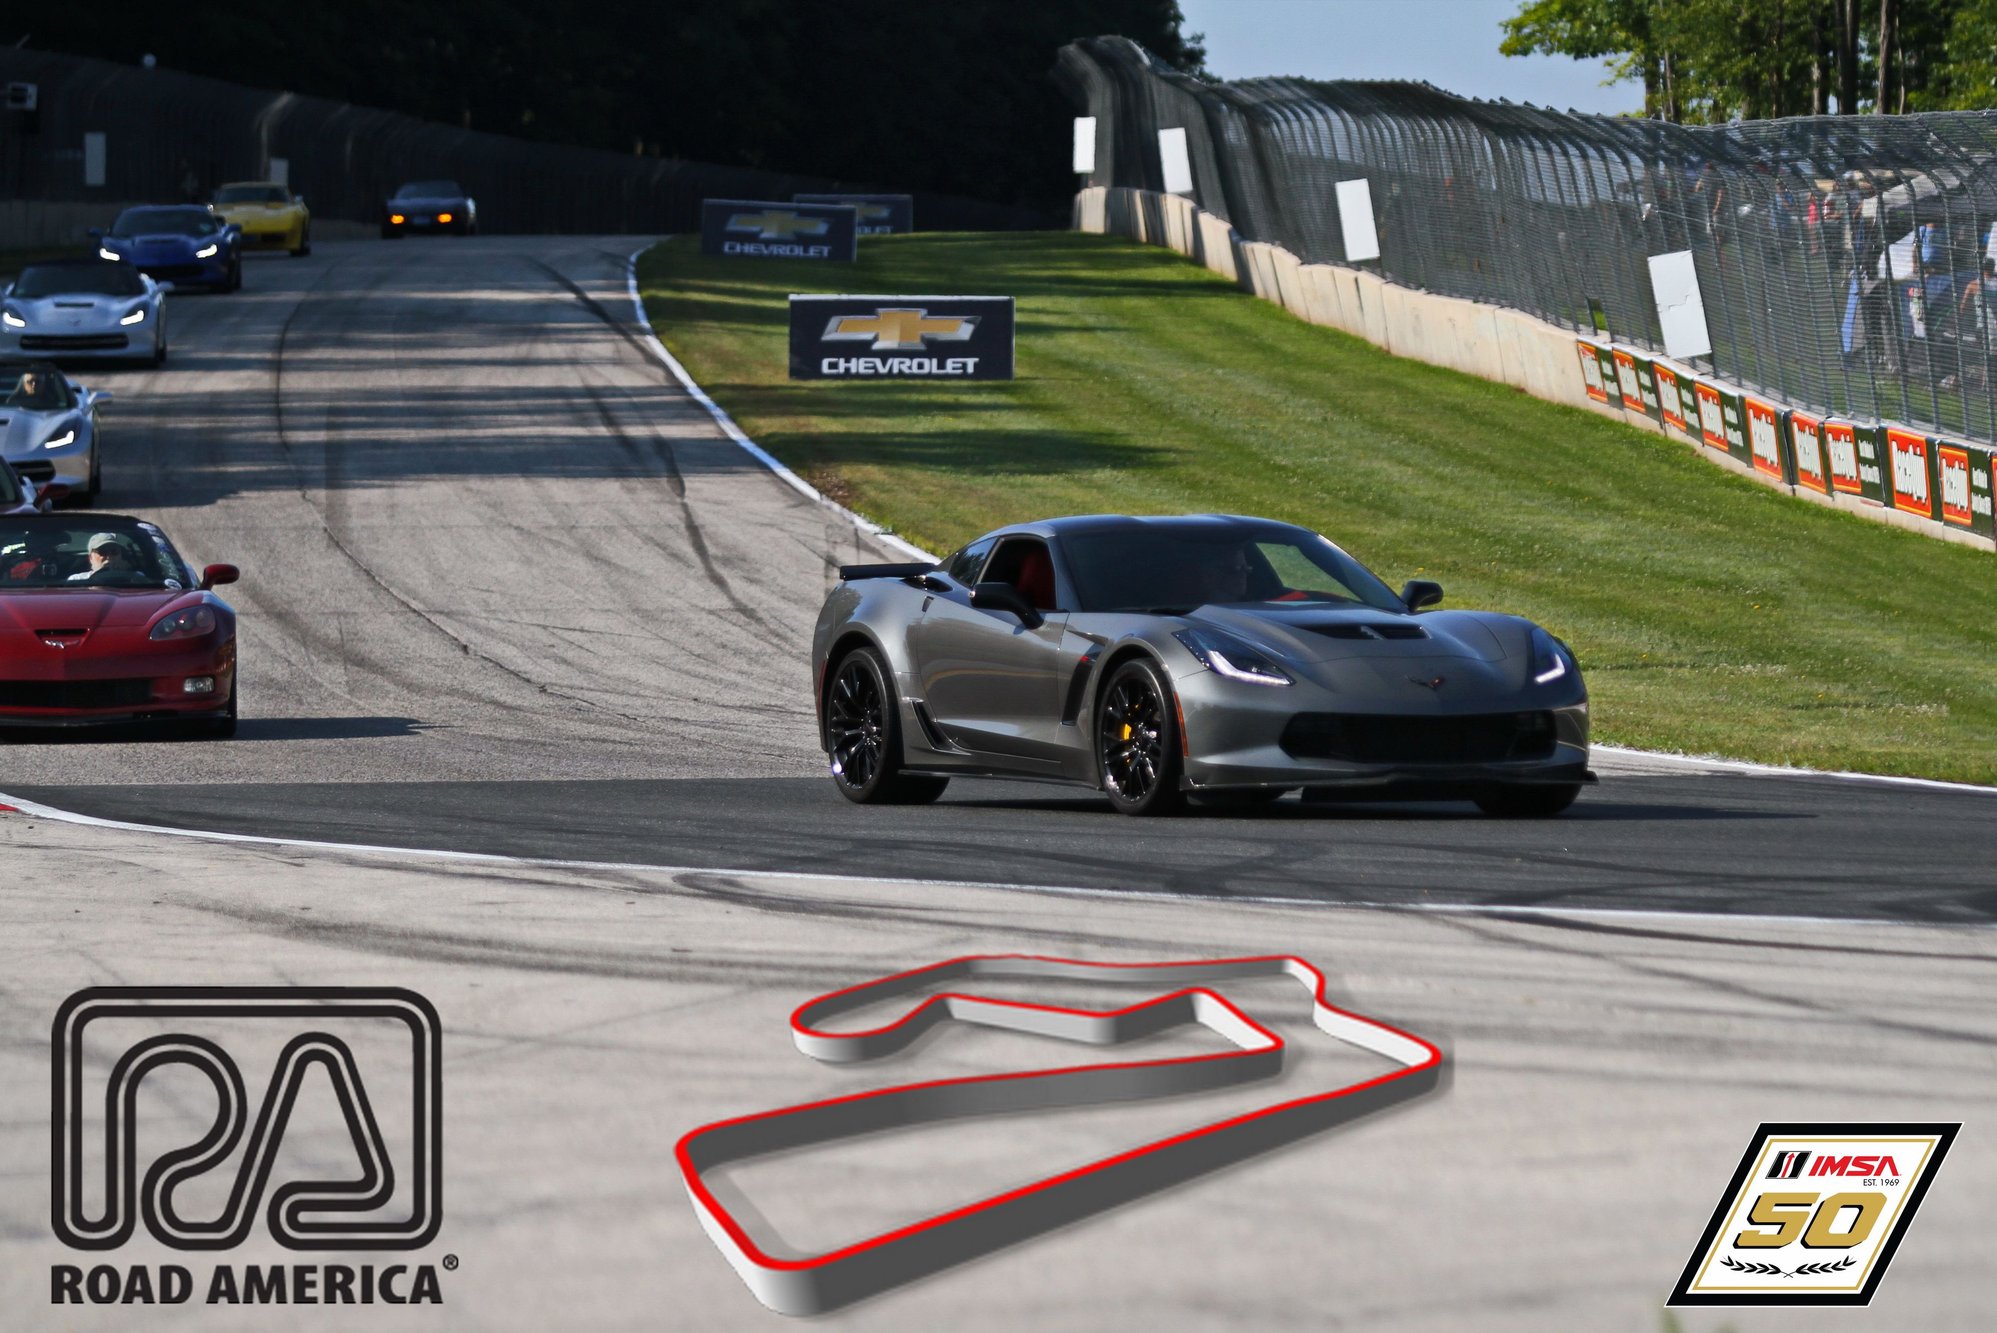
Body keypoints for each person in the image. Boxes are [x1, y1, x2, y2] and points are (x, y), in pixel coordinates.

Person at [69, 532, 137, 583]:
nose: (109, 557)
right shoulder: (77, 580)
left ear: (121, 556)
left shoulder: (135, 577)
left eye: (114, 552)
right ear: (90, 558)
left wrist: (127, 574)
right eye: (102, 552)